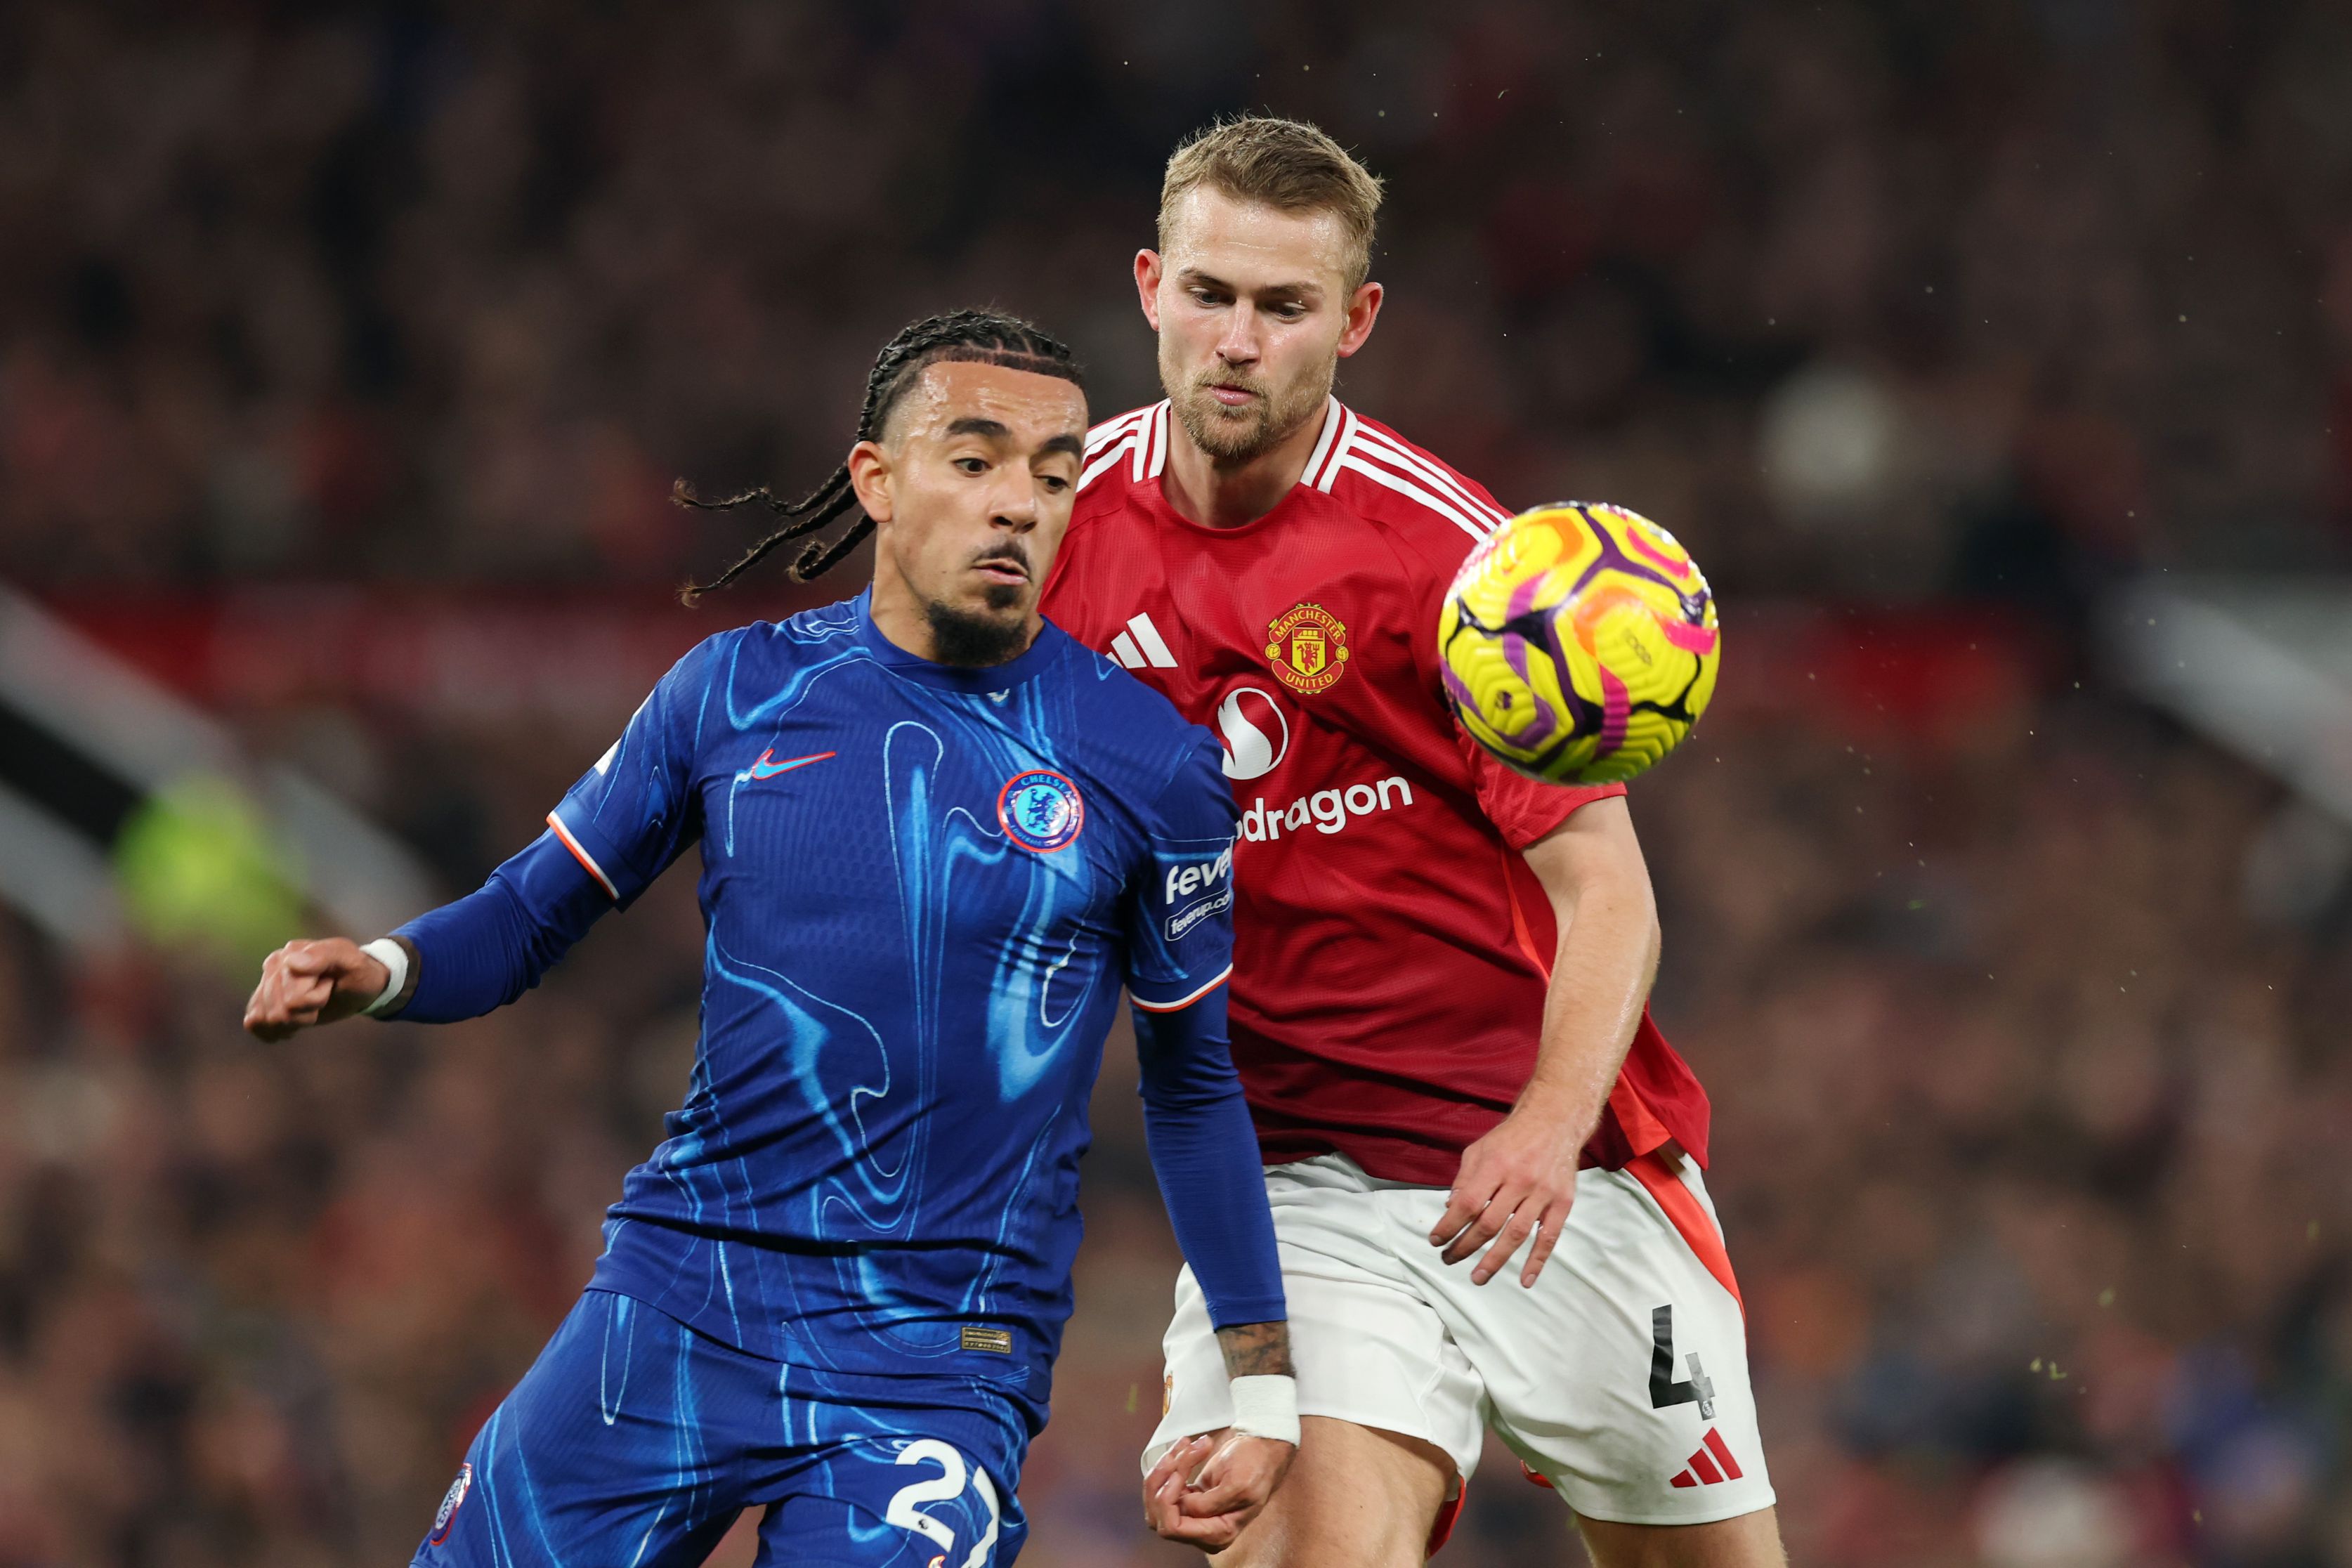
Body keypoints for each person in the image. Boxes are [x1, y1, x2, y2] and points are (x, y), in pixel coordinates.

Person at [242, 311, 1298, 1567]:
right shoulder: (733, 691)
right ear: (877, 480)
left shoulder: (1151, 764)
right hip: (683, 1293)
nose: (1020, 505)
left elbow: (1191, 1086)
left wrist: (1262, 1380)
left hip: (939, 1356)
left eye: (1055, 475)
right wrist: (383, 971)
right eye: (975, 462)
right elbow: (530, 914)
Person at [1039, 119, 1787, 1566]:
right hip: (1293, 1187)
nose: (1238, 341)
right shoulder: (1060, 534)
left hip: (1553, 1171)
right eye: (1209, 295)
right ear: (1147, 286)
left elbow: (1608, 897)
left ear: (1357, 320)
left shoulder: (1452, 566)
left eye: (1284, 305)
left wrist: (1546, 1128)